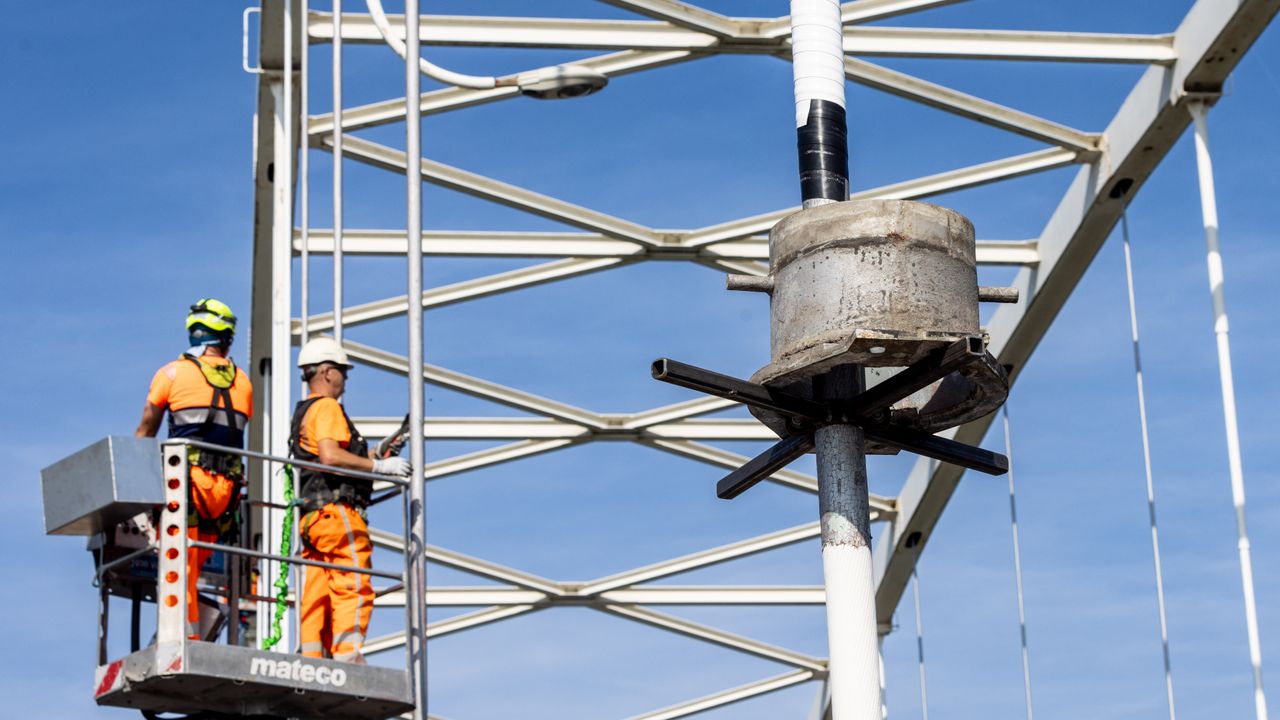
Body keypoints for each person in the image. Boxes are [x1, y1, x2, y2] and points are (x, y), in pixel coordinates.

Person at [136, 298, 252, 640]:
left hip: (185, 485)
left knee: (177, 566)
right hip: (225, 493)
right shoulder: (243, 382)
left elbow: (144, 433)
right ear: (226, 337)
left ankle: (181, 637)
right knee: (195, 562)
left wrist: (140, 496)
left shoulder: (171, 373)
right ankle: (193, 630)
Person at [289, 336, 411, 664]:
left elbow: (332, 456)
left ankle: (313, 660)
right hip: (336, 513)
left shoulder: (305, 411)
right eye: (342, 371)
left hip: (313, 518)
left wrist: (377, 453)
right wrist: (378, 466)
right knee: (353, 583)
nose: (345, 378)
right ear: (328, 372)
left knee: (317, 594)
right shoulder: (327, 407)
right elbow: (331, 456)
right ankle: (347, 656)